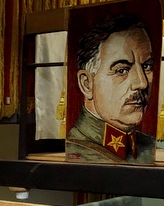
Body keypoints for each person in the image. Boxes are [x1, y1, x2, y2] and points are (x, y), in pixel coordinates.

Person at [66, 13, 156, 164]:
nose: (142, 83)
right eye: (122, 70)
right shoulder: (76, 151)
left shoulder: (149, 147)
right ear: (87, 84)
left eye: (146, 66)